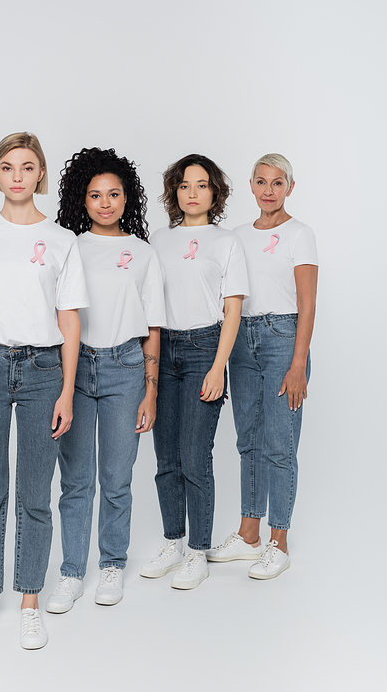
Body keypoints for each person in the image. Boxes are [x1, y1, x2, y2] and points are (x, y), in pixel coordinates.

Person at [0, 132, 88, 649]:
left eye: (27, 167)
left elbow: (68, 320)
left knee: (35, 494)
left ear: (40, 176)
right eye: (7, 167)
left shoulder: (61, 241)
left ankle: (29, 599)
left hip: (43, 371)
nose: (17, 175)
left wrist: (68, 390)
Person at [47, 147, 166, 612]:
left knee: (116, 478)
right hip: (73, 371)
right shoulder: (66, 247)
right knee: (76, 480)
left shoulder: (141, 253)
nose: (104, 203)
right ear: (82, 200)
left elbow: (153, 326)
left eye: (114, 194)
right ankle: (72, 571)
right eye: (95, 195)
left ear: (126, 198)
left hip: (125, 369)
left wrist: (150, 391)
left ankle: (112, 563)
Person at [207, 153, 318, 579]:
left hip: (282, 338)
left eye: (277, 183)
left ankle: (279, 541)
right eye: (260, 182)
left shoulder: (300, 234)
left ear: (290, 187)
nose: (268, 191)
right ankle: (248, 534)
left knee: (279, 444)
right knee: (247, 441)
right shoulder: (235, 235)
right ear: (251, 186)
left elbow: (307, 303)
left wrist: (298, 363)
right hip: (241, 342)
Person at [140, 154, 249, 590]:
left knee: (194, 455)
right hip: (162, 349)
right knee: (165, 457)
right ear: (174, 192)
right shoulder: (158, 241)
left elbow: (233, 309)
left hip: (206, 347)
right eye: (184, 185)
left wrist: (219, 366)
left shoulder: (226, 243)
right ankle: (174, 541)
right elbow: (148, 306)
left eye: (201, 185)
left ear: (214, 192)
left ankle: (199, 550)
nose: (192, 193)